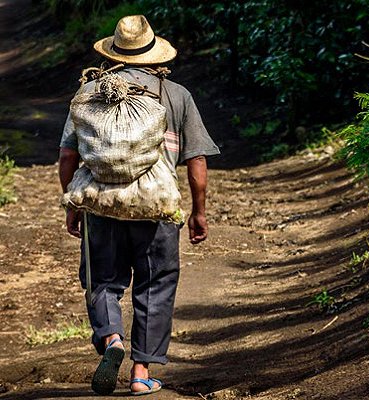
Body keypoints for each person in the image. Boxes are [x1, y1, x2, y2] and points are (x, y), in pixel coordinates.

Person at [58, 15, 220, 396]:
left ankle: (111, 339)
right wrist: (199, 211)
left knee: (102, 279)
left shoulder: (91, 93)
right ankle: (140, 373)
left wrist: (73, 202)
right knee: (156, 284)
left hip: (101, 203)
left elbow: (67, 156)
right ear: (152, 52)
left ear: (113, 52)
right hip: (156, 207)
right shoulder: (176, 94)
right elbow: (197, 162)